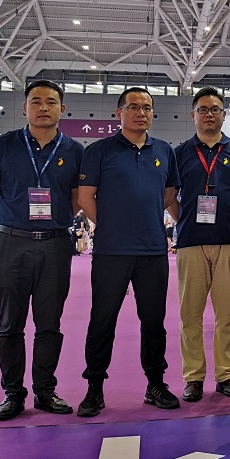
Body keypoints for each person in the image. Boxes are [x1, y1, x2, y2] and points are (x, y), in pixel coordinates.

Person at [0, 79, 85, 421]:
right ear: (24, 107)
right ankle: (12, 393)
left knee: (49, 323)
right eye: (35, 101)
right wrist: (12, 221)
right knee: (10, 323)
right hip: (12, 244)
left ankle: (45, 391)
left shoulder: (75, 150)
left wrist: (55, 221)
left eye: (50, 102)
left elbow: (76, 198)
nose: (43, 107)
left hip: (55, 244)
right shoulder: (3, 145)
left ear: (62, 108)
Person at [76, 87, 181, 417]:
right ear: (118, 113)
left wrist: (143, 219)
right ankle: (94, 387)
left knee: (154, 322)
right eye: (133, 107)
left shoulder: (164, 150)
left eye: (147, 108)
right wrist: (111, 224)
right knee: (102, 320)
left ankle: (155, 383)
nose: (141, 113)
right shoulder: (99, 151)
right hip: (111, 251)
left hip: (153, 250)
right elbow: (84, 197)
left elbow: (168, 194)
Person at [171, 87, 230, 403]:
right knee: (189, 314)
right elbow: (169, 197)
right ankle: (193, 377)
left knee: (227, 314)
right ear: (193, 115)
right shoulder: (180, 153)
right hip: (191, 242)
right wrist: (184, 219)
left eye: (215, 109)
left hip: (229, 241)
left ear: (223, 114)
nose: (209, 114)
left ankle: (225, 374)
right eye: (203, 109)